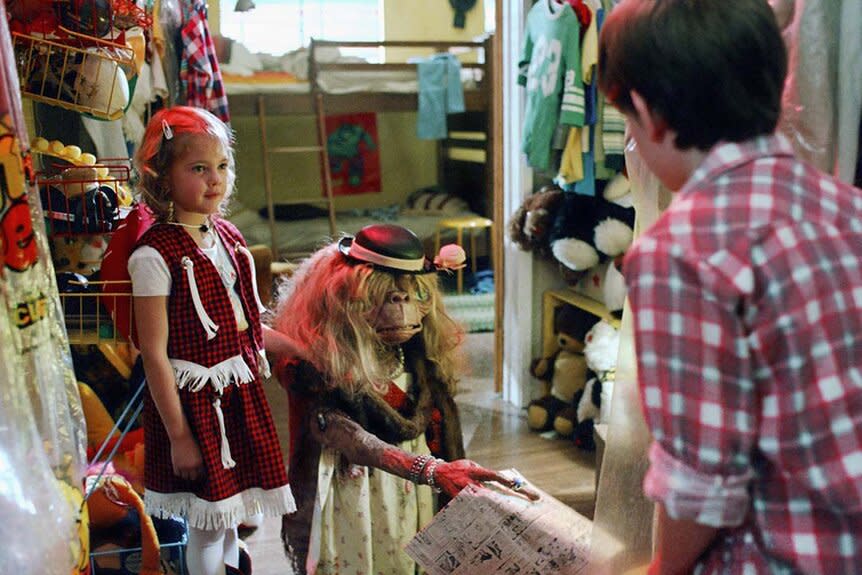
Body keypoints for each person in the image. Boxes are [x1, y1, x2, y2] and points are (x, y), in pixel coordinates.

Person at [598, 1, 862, 573]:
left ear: (648, 113)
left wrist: (660, 569)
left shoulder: (680, 250)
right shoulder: (848, 207)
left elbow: (702, 482)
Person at [273, 224, 537, 574]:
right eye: (383, 295)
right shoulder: (321, 370)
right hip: (357, 493)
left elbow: (437, 425)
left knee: (413, 555)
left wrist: (440, 470)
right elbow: (350, 438)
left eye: (409, 294)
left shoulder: (419, 358)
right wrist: (432, 470)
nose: (399, 305)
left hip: (416, 493)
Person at [128, 106, 302, 575]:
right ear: (163, 177)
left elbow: (242, 323)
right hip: (194, 405)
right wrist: (180, 436)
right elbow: (155, 357)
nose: (214, 180)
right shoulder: (153, 254)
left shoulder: (227, 237)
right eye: (198, 168)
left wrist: (300, 346)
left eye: (221, 167)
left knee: (228, 519)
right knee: (206, 524)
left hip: (236, 396)